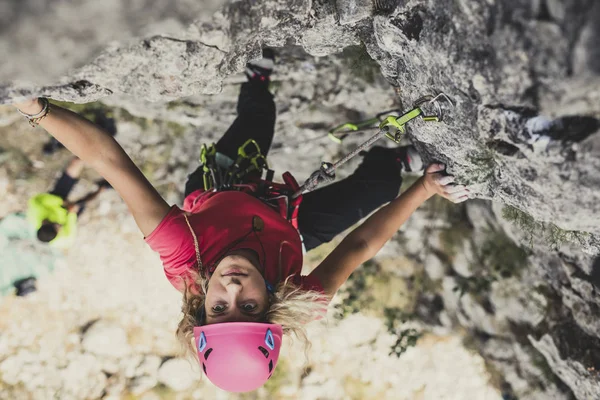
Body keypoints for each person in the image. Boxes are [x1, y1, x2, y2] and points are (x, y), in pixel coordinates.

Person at [12, 49, 470, 392]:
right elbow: (359, 247)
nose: (231, 289)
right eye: (248, 308)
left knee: (259, 117)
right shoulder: (300, 298)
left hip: (223, 186)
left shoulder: (183, 252)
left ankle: (257, 74)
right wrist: (424, 189)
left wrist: (36, 109)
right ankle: (392, 162)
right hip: (285, 224)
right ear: (273, 306)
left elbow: (110, 161)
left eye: (218, 309)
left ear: (200, 307)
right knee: (376, 191)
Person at [27, 157, 107, 249]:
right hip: (68, 216)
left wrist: (61, 202)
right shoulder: (64, 238)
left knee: (74, 166)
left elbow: (36, 200)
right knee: (84, 202)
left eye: (56, 225)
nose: (59, 227)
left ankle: (81, 160)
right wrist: (72, 213)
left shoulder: (36, 214)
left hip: (55, 201)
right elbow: (71, 227)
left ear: (43, 222)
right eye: (58, 229)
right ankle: (101, 188)